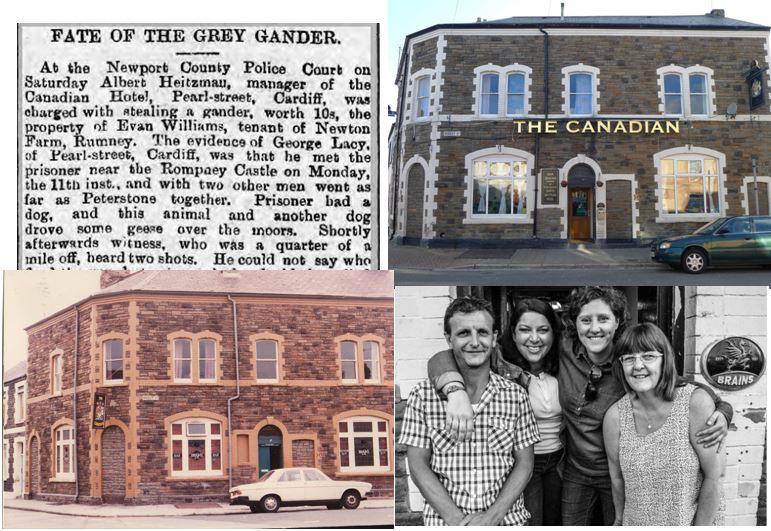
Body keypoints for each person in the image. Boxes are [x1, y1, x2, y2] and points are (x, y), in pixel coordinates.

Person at [428, 287, 732, 525]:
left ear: (617, 324)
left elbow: (673, 380)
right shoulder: (563, 350)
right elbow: (446, 356)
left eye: (603, 319)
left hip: (624, 472)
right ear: (574, 325)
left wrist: (721, 407)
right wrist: (454, 391)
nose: (594, 328)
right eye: (586, 320)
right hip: (574, 469)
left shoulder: (630, 358)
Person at [399, 296, 540, 526]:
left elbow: (525, 464)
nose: (475, 342)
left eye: (483, 333)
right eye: (464, 333)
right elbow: (417, 465)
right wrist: (458, 521)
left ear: (494, 338)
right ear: (448, 338)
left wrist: (490, 519)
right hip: (445, 524)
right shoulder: (423, 396)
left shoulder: (515, 396)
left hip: (506, 522)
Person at [428, 298, 562, 525]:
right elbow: (441, 359)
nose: (534, 338)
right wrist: (455, 391)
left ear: (554, 333)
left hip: (559, 462)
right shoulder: (496, 362)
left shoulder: (563, 362)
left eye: (543, 330)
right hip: (517, 463)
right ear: (510, 334)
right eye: (524, 330)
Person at [603, 323, 726, 525]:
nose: (638, 366)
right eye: (629, 358)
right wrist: (619, 519)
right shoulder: (615, 416)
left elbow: (714, 476)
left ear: (664, 360)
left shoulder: (695, 403)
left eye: (648, 356)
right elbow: (616, 478)